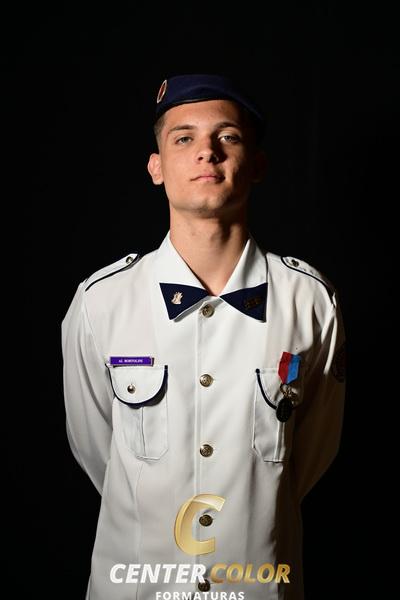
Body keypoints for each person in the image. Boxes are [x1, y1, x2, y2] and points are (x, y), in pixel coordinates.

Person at [61, 74, 345, 600]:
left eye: (228, 137)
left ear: (256, 165)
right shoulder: (101, 301)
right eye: (183, 138)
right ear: (156, 166)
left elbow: (310, 457)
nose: (206, 152)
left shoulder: (310, 302)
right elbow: (97, 450)